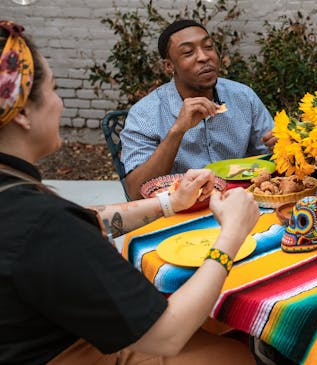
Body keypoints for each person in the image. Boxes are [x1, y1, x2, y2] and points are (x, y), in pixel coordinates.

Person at [0, 21, 260, 364]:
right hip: (72, 350)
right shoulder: (40, 221)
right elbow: (166, 335)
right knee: (236, 355)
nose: (60, 103)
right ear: (22, 115)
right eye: (54, 89)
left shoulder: (16, 193)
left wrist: (169, 202)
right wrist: (232, 234)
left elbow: (90, 219)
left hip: (54, 331)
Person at [121, 19, 276, 200]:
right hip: (180, 213)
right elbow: (135, 193)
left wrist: (281, 145)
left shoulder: (243, 97)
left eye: (208, 47)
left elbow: (267, 157)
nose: (204, 57)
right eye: (188, 52)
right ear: (169, 66)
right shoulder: (145, 114)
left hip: (239, 201)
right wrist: (177, 131)